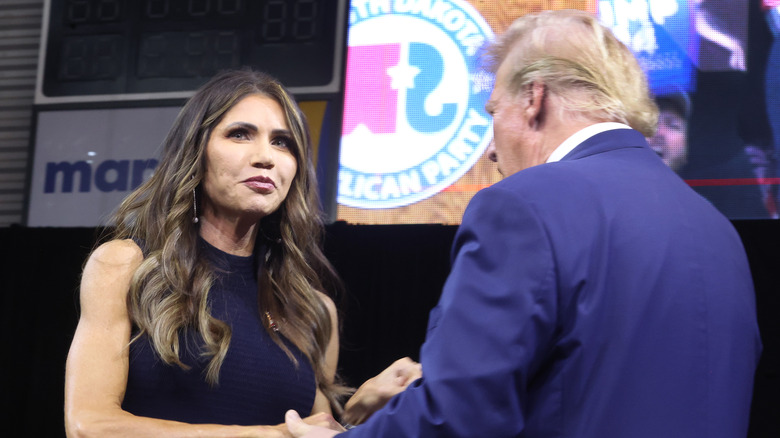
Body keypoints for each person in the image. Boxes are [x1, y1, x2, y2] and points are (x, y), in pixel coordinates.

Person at [286, 9, 762, 438]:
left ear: (534, 98)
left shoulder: (524, 204)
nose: (491, 150)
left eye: (493, 112)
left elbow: (458, 415)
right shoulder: (718, 230)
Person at [64, 69, 349, 437]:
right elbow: (90, 427)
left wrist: (365, 413)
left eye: (283, 142)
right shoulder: (125, 266)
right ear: (197, 152)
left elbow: (317, 431)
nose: (266, 157)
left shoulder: (313, 310)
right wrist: (269, 435)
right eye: (240, 134)